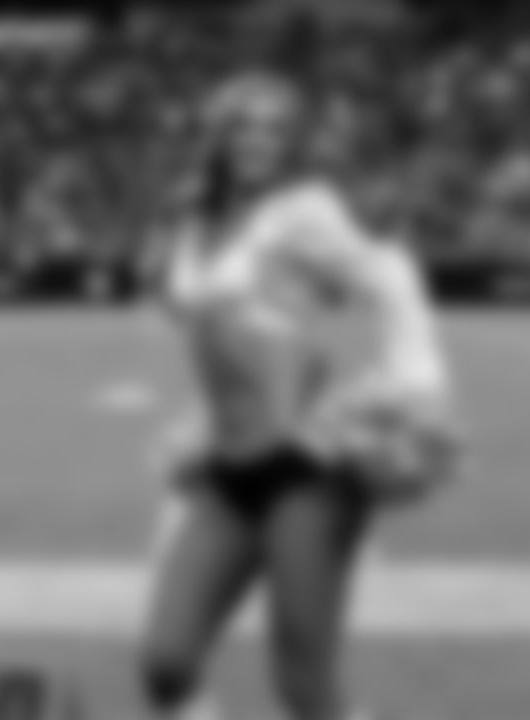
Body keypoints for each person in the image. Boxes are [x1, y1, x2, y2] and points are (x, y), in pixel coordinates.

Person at [139, 72, 457, 720]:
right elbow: (202, 310)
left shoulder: (306, 208)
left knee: (304, 687)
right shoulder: (196, 217)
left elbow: (388, 278)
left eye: (276, 129)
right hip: (227, 467)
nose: (258, 141)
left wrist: (412, 391)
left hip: (310, 471)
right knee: (166, 662)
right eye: (244, 125)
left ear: (292, 145)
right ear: (218, 134)